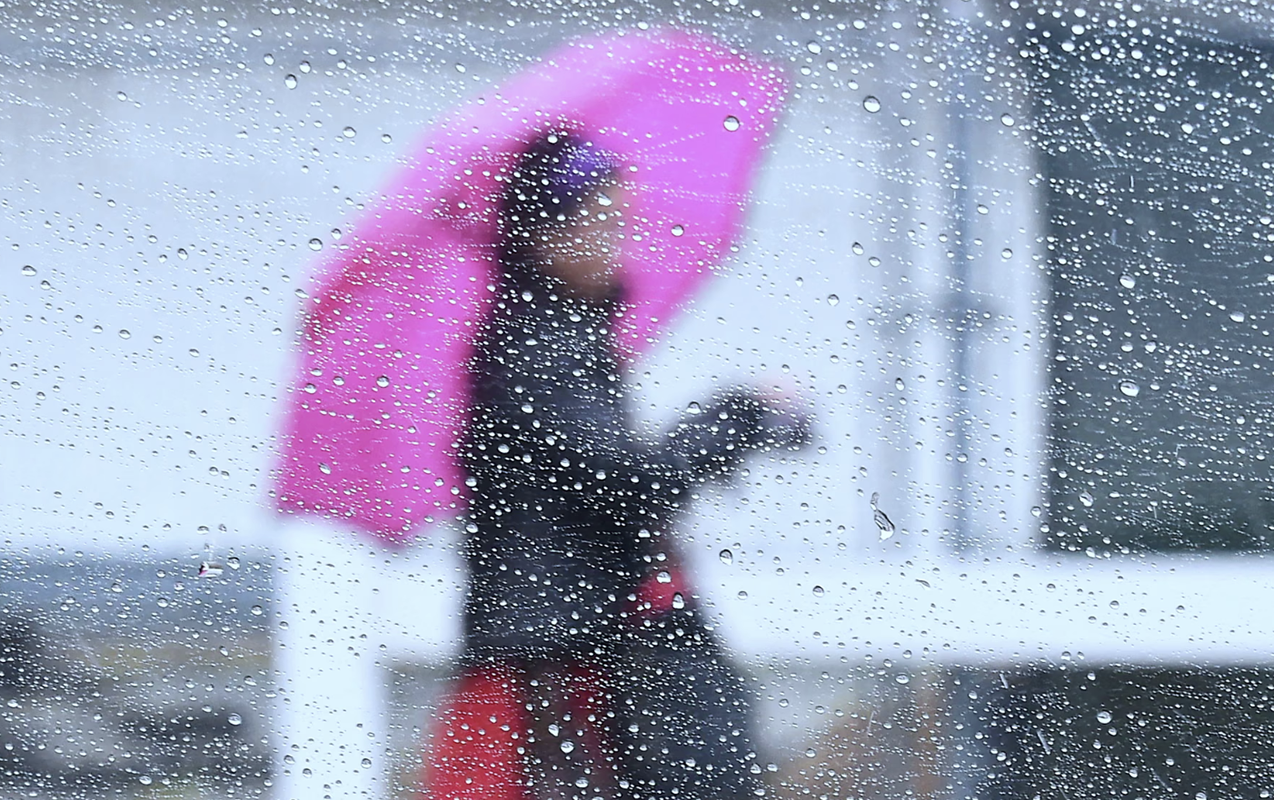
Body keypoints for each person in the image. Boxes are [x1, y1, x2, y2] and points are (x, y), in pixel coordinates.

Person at [423, 129, 810, 800]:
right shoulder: (537, 348)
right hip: (545, 671)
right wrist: (738, 414)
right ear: (543, 234)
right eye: (599, 223)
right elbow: (635, 483)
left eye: (619, 222)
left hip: (570, 656)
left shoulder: (563, 337)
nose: (615, 242)